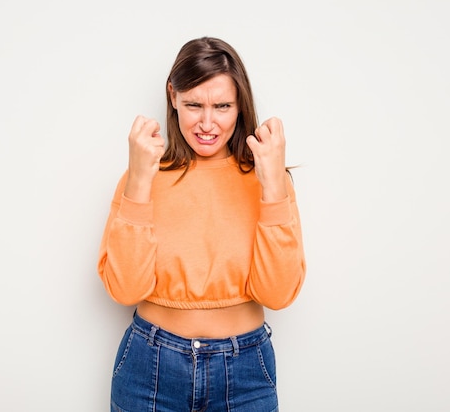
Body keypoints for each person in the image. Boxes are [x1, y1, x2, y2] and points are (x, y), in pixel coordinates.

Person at [97, 36, 306, 412]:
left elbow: (277, 294)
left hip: (245, 374)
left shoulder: (268, 181)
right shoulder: (142, 176)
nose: (207, 123)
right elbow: (125, 289)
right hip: (150, 368)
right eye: (194, 104)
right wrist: (140, 183)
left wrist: (273, 184)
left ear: (241, 105)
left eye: (222, 106)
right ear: (172, 95)